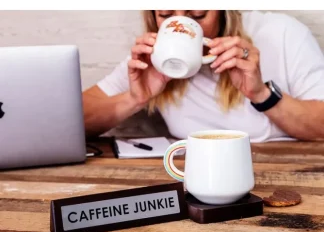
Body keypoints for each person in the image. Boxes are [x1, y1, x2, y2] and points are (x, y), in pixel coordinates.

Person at [83, 10, 324, 143]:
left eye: (197, 16)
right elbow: (75, 121)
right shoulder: (153, 58)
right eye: (166, 16)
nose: (181, 27)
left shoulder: (281, 34)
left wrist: (261, 94)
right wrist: (135, 98)